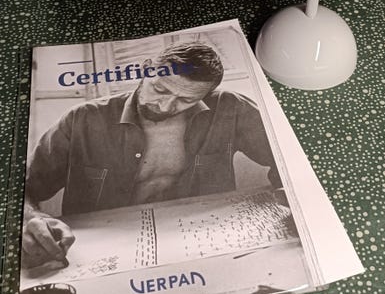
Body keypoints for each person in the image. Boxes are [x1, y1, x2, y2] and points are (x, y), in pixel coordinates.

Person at [22, 41, 281, 269]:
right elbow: (26, 188)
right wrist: (31, 218)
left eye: (186, 100)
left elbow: (285, 159)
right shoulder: (83, 118)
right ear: (145, 69)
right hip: (104, 244)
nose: (165, 106)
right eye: (160, 89)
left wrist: (287, 196)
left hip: (203, 236)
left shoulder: (230, 108)